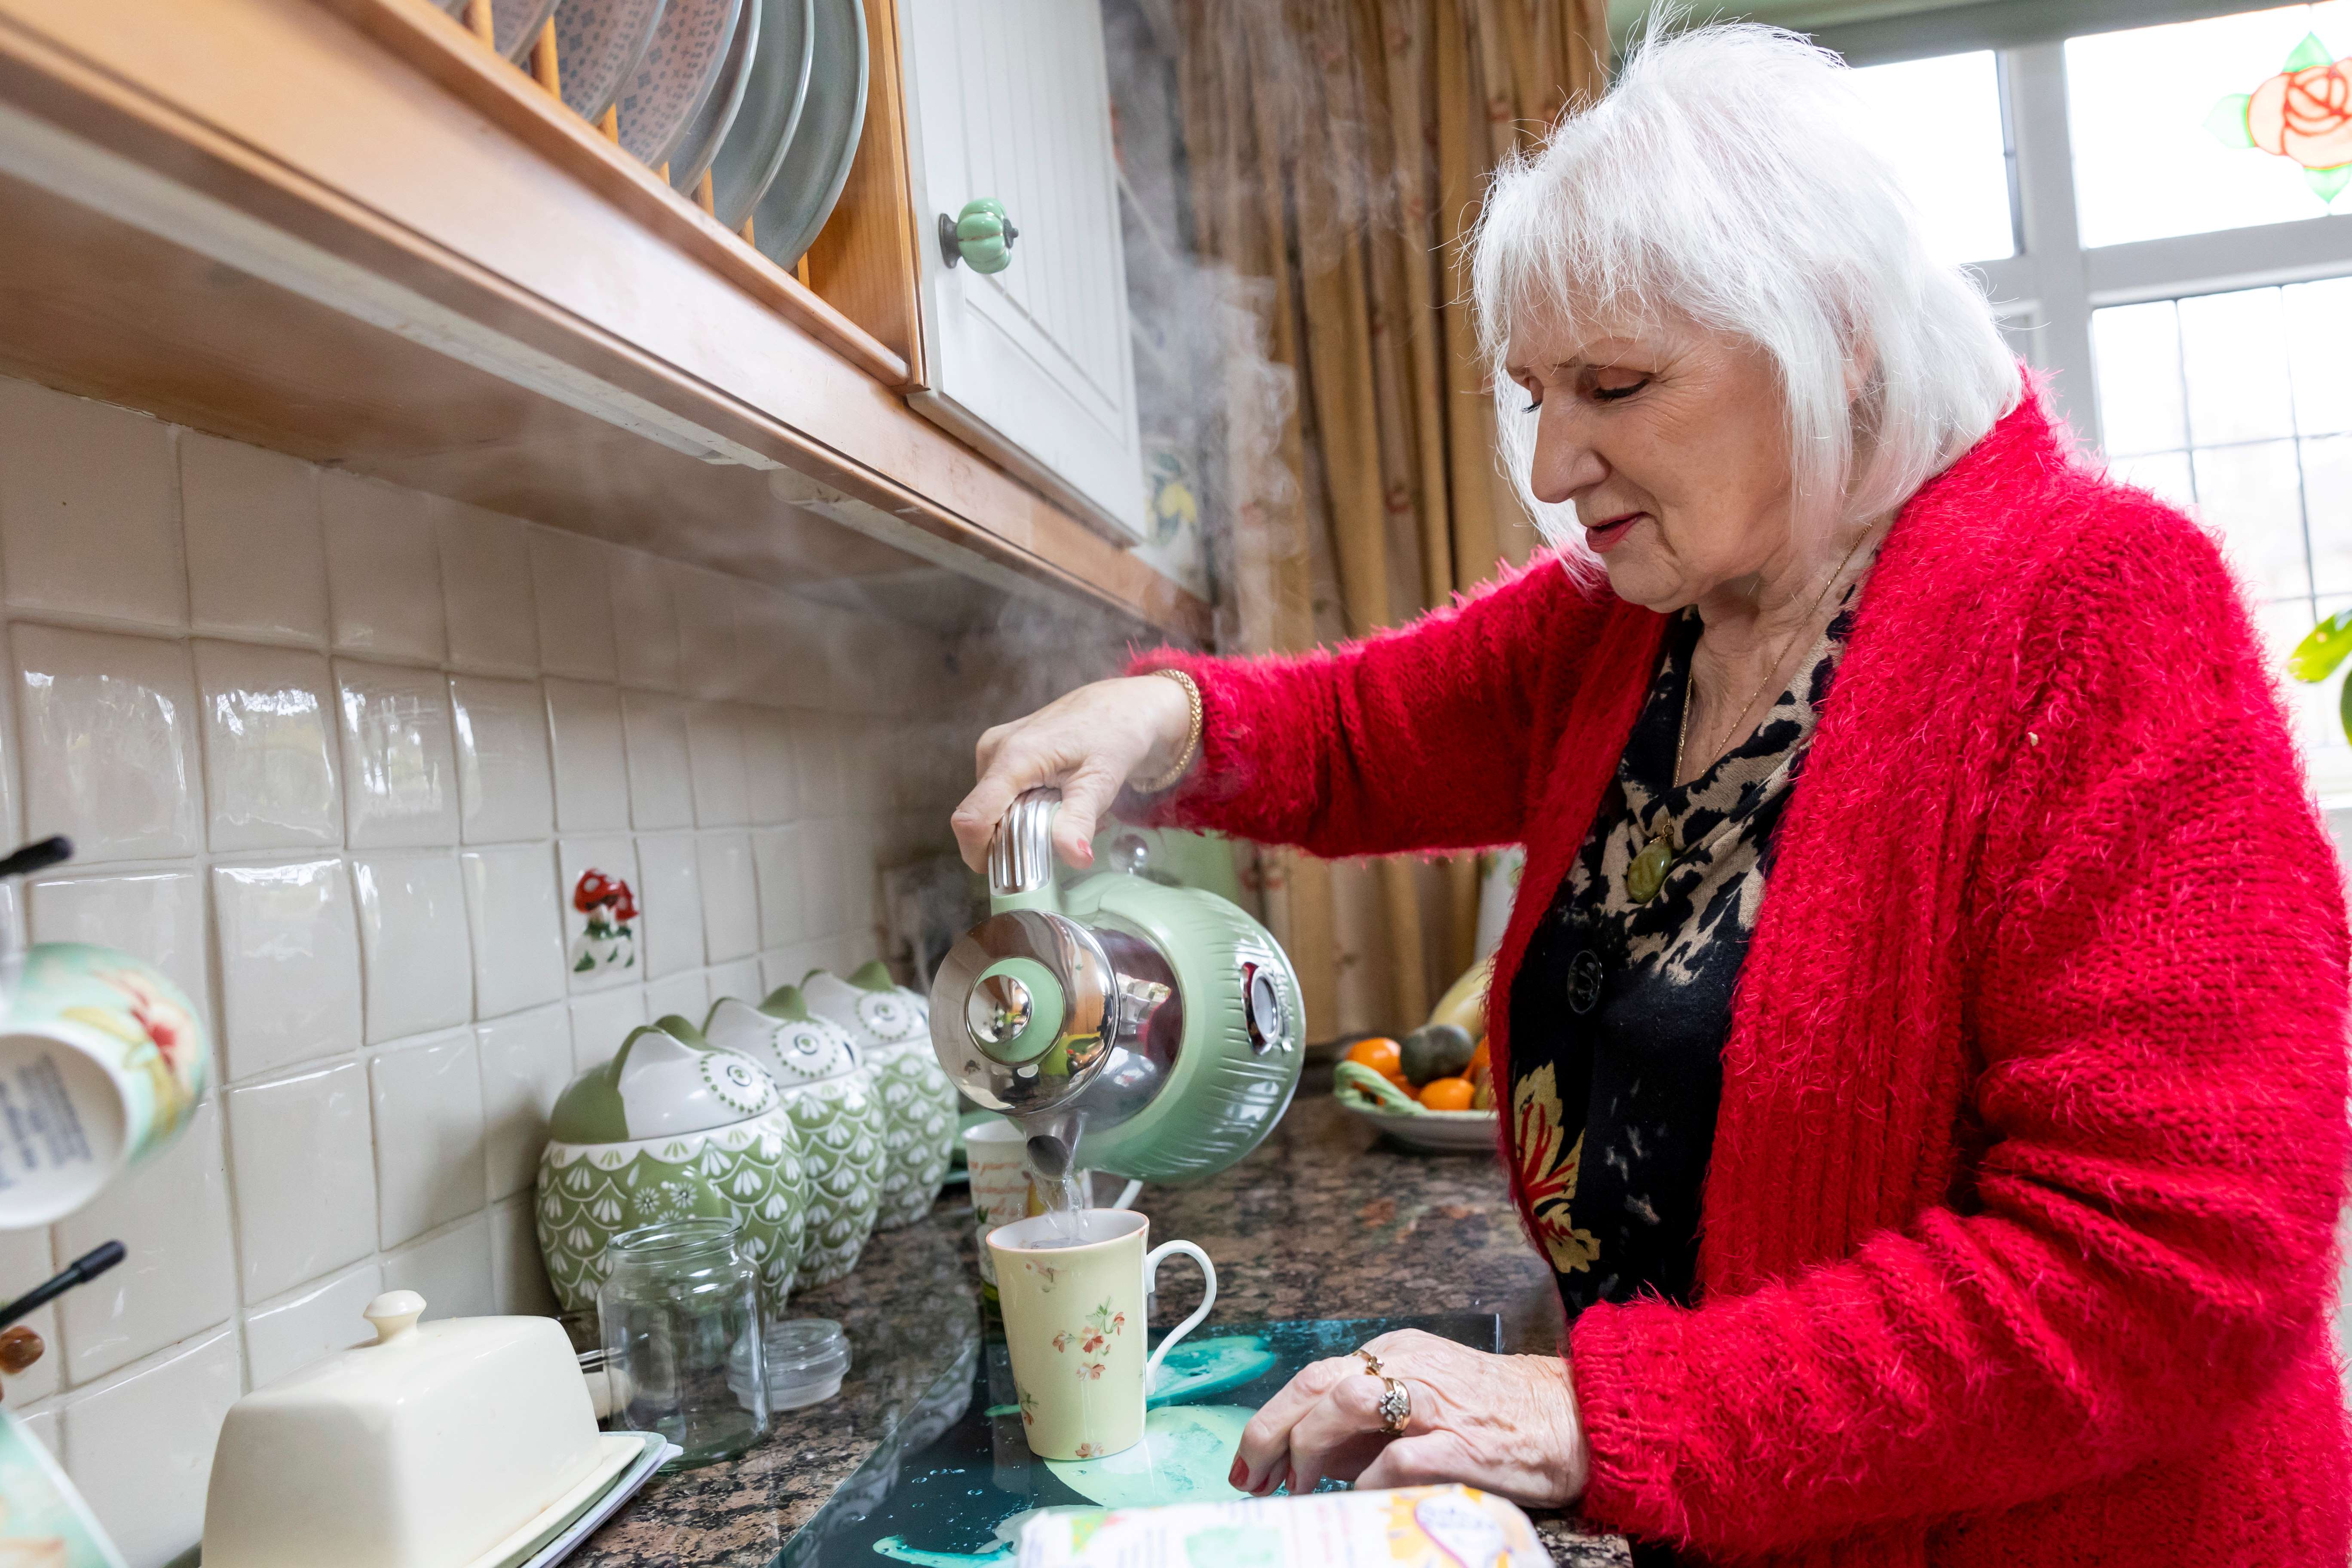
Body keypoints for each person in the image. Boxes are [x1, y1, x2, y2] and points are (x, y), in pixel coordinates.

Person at [950, 22, 2352, 1566]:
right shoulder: (1633, 620)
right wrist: (1157, 712)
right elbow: (1357, 729)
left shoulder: (2097, 613)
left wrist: (1593, 1415)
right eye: (1536, 391)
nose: (1554, 466)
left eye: (1614, 385)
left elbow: (2169, 1272)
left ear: (1836, 338)